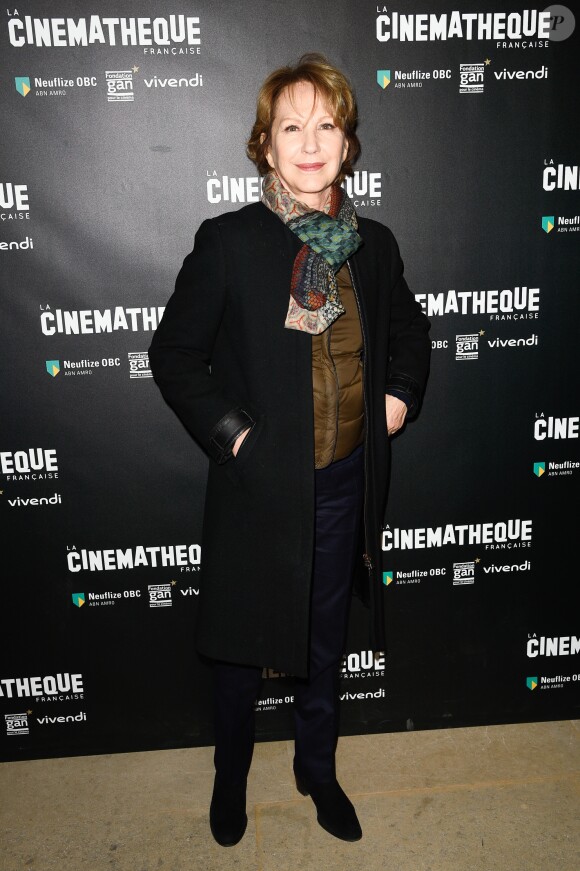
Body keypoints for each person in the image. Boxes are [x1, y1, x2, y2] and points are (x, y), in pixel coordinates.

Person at [148, 53, 431, 846]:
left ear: (347, 143)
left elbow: (409, 327)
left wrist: (398, 396)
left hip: (344, 482)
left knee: (323, 641)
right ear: (265, 146)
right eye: (291, 127)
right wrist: (236, 436)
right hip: (258, 486)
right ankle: (230, 774)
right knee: (241, 652)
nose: (310, 143)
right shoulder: (230, 241)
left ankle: (317, 768)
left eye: (327, 125)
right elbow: (174, 355)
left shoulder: (373, 243)